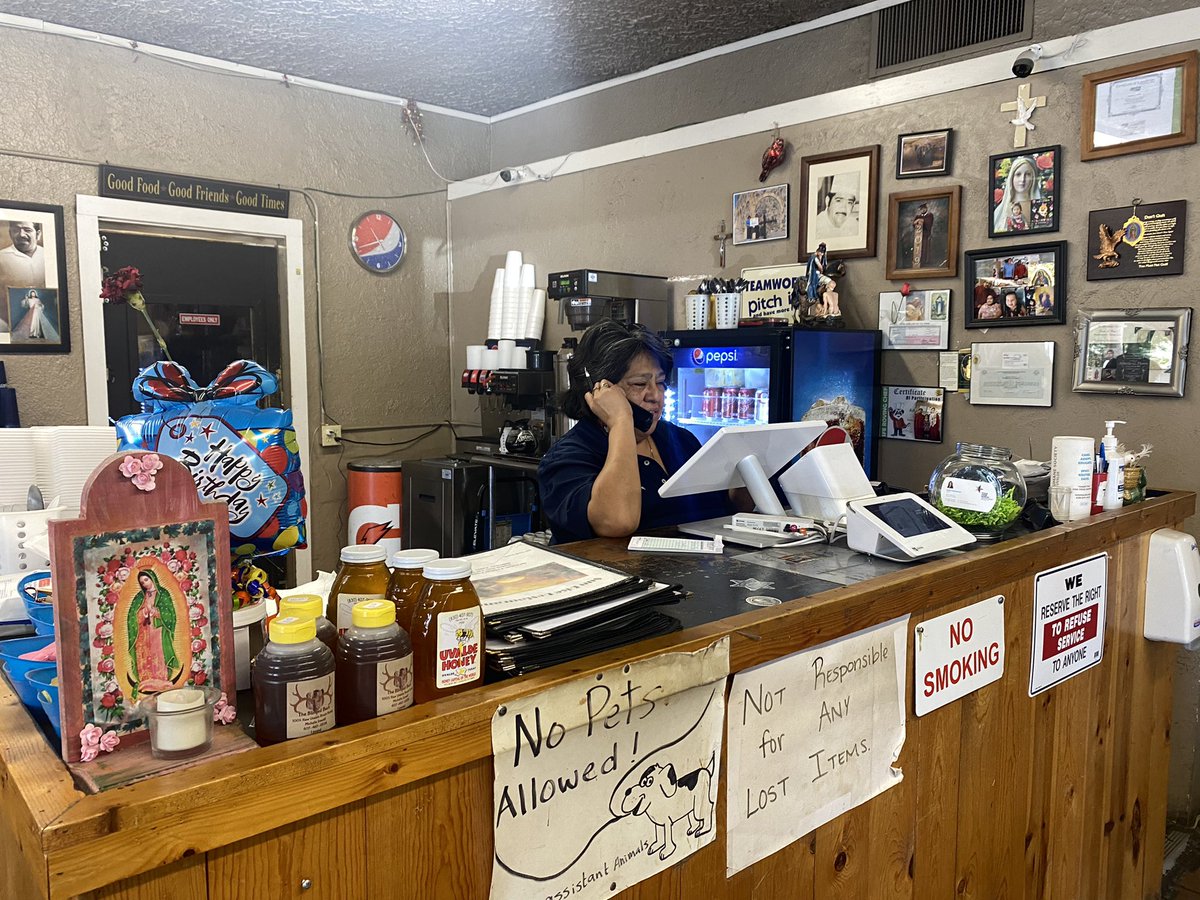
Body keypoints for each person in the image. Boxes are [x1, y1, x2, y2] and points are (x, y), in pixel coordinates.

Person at [538, 322, 743, 544]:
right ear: (599, 389)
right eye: (639, 384)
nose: (656, 395)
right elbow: (618, 521)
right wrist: (621, 422)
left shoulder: (678, 439)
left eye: (661, 383)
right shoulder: (569, 456)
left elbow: (721, 508)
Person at [126, 569, 182, 698]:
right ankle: (146, 680)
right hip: (143, 632)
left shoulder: (163, 594)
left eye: (146, 580)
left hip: (158, 630)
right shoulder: (139, 597)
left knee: (158, 653)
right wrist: (143, 613)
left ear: (153, 578)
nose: (145, 583)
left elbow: (170, 614)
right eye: (142, 582)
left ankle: (161, 680)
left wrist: (156, 612)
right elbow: (131, 617)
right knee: (144, 653)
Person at [993, 156, 1041, 233]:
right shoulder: (998, 212)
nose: (1022, 179)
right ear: (1012, 177)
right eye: (1018, 174)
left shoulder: (1040, 206)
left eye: (1028, 174)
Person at [0, 221, 46, 297]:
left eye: (27, 230)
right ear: (10, 234)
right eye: (16, 230)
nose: (21, 234)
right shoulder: (1, 257)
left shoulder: (49, 256)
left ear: (38, 234)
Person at [814, 173, 859, 240]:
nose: (843, 207)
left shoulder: (855, 226)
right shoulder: (815, 227)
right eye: (838, 200)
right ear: (827, 201)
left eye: (849, 202)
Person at [910, 203, 935, 268]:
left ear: (926, 208)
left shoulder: (930, 215)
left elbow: (929, 223)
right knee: (917, 249)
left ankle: (924, 262)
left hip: (926, 235)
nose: (922, 210)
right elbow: (914, 224)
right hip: (918, 236)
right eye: (921, 209)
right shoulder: (918, 216)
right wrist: (915, 222)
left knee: (925, 248)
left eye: (923, 208)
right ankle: (917, 261)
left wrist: (921, 220)